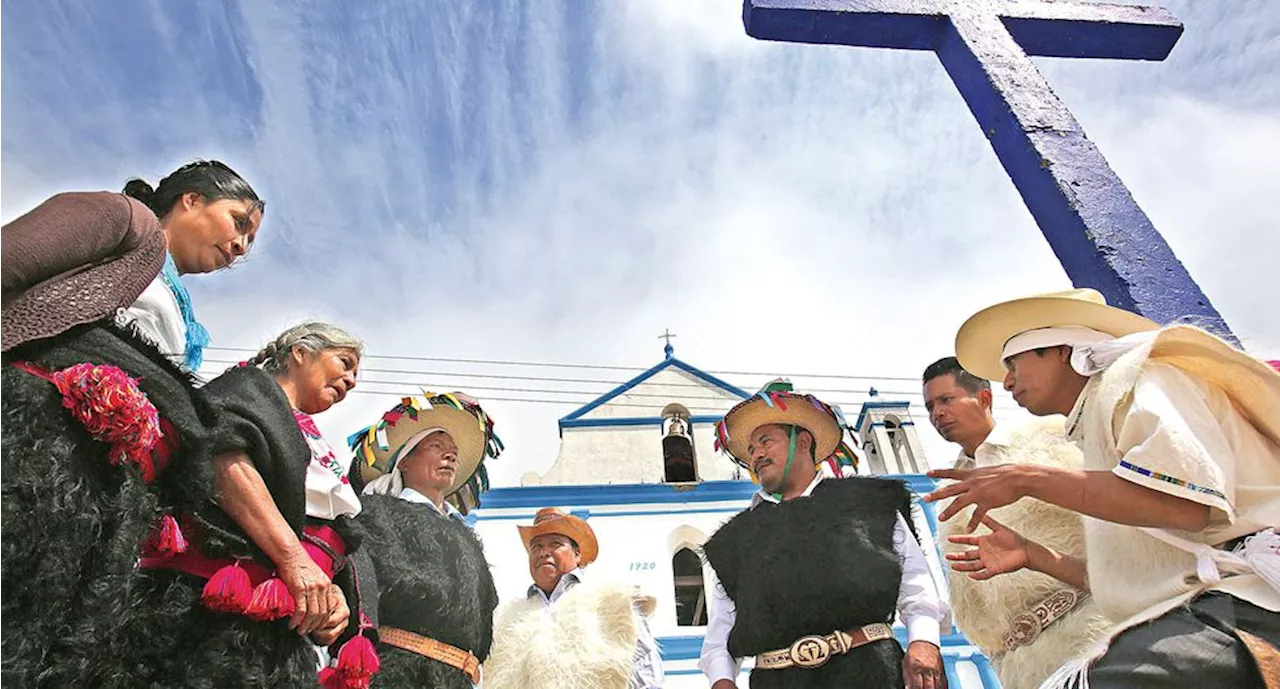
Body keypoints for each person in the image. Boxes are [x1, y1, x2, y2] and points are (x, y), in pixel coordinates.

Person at [928, 288, 1280, 688]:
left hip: (1250, 599)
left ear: (1061, 349)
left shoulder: (1139, 380)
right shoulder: (1095, 428)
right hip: (1191, 611)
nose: (1008, 381)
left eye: (1014, 363)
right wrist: (1032, 554)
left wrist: (1026, 479)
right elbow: (1136, 574)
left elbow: (1182, 505)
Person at [0, 161, 264, 686]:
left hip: (107, 491)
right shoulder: (123, 221)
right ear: (190, 200)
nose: (241, 248)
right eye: (238, 223)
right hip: (34, 441)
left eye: (250, 241)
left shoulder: (187, 321)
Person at [126, 322, 376, 689]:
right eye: (345, 362)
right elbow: (222, 460)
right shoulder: (247, 390)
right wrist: (293, 558)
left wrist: (332, 598)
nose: (351, 380)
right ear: (300, 353)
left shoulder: (314, 440)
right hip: (208, 614)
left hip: (279, 627)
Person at [698, 380, 948, 689]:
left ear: (802, 442)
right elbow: (721, 628)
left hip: (872, 674)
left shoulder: (869, 503)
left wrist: (924, 641)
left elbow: (916, 582)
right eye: (751, 449)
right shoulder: (734, 540)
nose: (757, 454)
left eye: (766, 441)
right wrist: (722, 680)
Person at [922, 357, 1112, 689]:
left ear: (983, 398)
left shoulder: (1052, 438)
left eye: (946, 400)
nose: (936, 413)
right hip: (1022, 670)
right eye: (929, 406)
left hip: (1098, 638)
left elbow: (1114, 517)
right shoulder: (950, 496)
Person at [346, 390, 503, 687]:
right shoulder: (376, 515)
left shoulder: (464, 535)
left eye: (453, 450)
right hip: (400, 676)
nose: (450, 454)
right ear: (404, 461)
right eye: (436, 446)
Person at [484, 507, 665, 689]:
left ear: (577, 554)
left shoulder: (612, 603)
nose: (543, 552)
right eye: (536, 546)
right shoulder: (509, 621)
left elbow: (646, 675)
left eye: (555, 544)